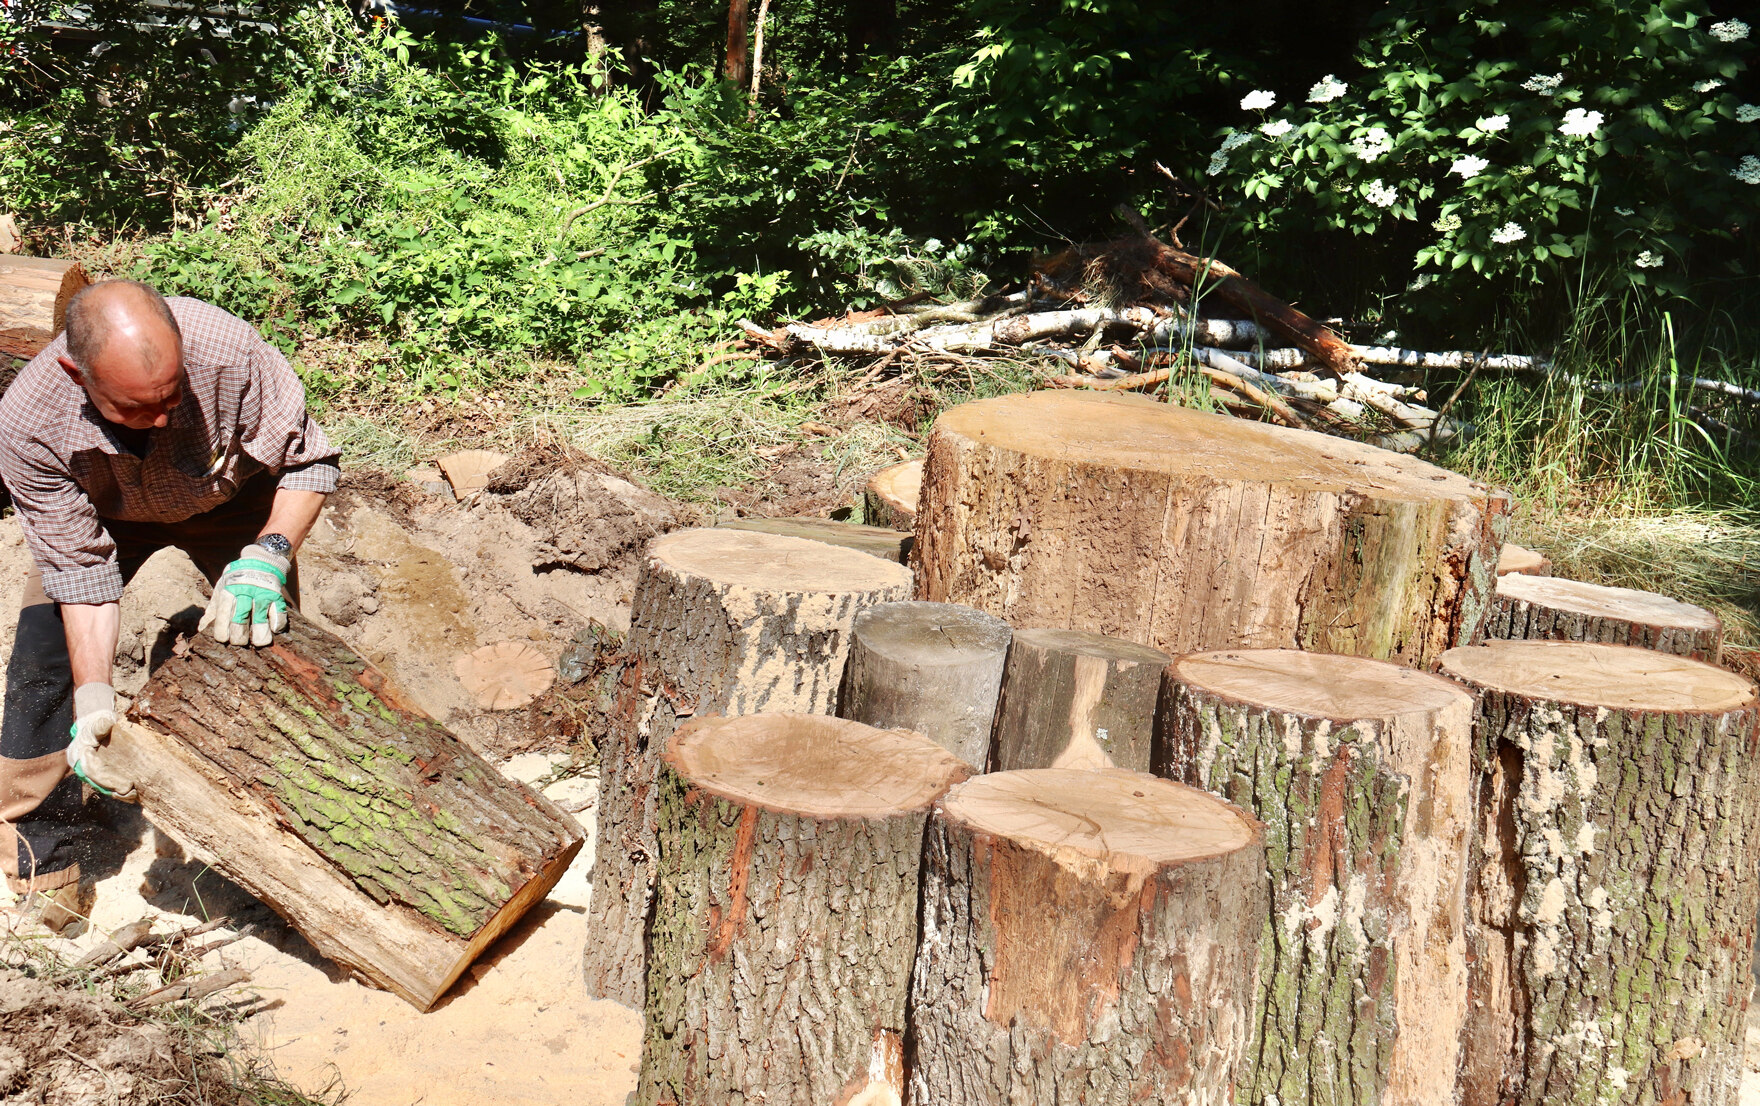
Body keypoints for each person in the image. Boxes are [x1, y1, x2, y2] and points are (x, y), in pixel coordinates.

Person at [0, 280, 338, 933]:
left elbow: (308, 462)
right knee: (43, 670)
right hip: (105, 516)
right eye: (135, 407)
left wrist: (268, 556)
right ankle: (46, 867)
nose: (159, 418)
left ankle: (298, 847)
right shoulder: (28, 421)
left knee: (270, 648)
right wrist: (95, 695)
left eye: (172, 398)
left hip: (233, 503)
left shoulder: (228, 350)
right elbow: (80, 569)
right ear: (78, 373)